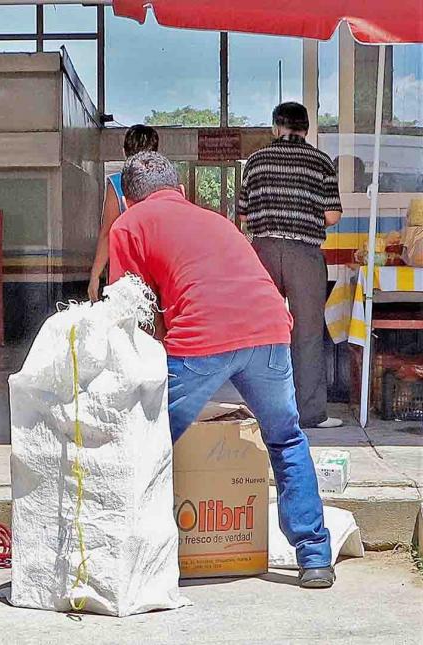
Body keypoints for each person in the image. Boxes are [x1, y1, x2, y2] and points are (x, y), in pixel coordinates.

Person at [109, 152, 334, 589]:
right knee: (286, 438)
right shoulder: (215, 219)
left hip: (201, 340)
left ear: (128, 198)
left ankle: (126, 552)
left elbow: (128, 308)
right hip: (269, 329)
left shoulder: (129, 224)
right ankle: (314, 557)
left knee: (146, 440)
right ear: (178, 189)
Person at [238, 102, 344, 429]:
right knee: (308, 333)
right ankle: (311, 414)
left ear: (275, 127)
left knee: (261, 332)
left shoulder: (255, 162)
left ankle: (262, 409)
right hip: (305, 253)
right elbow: (332, 215)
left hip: (263, 252)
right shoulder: (320, 161)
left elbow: (243, 216)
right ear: (307, 128)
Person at [88, 125, 160, 301]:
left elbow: (107, 233)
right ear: (155, 154)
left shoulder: (117, 183)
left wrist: (95, 276)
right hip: (158, 272)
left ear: (124, 152)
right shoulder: (164, 183)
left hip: (125, 276)